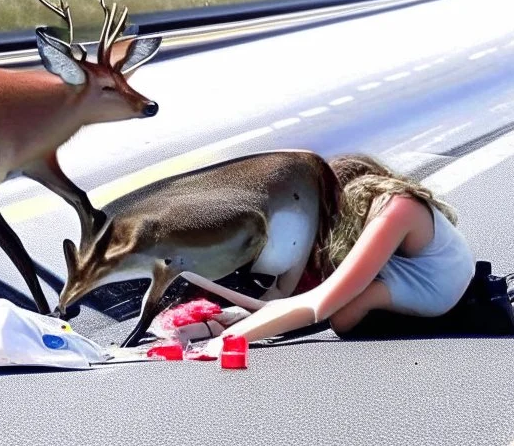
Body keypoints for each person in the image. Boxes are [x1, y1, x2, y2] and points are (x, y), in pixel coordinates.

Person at [196, 153, 477, 359]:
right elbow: (303, 297)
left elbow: (318, 305)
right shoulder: (392, 201)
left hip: (438, 289)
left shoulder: (395, 208)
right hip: (440, 276)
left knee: (342, 316)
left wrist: (231, 340)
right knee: (339, 311)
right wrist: (235, 322)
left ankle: (449, 317)